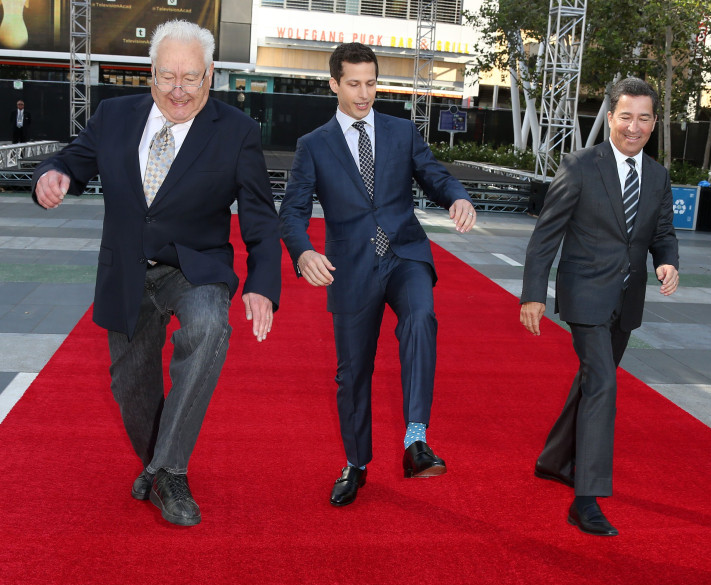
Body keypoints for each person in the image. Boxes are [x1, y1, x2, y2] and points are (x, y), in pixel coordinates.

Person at [32, 20, 281, 527]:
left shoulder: (237, 132)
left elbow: (259, 216)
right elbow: (72, 161)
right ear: (151, 74)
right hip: (127, 269)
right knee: (131, 385)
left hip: (197, 266)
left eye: (191, 77)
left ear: (210, 76)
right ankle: (157, 459)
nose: (179, 90)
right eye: (168, 76)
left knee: (210, 328)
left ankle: (169, 471)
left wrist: (261, 284)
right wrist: (52, 177)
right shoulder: (114, 116)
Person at [280, 42, 476, 507]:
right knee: (353, 374)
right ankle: (356, 463)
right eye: (354, 83)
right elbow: (291, 213)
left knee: (421, 318)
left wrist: (457, 198)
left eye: (371, 82)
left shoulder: (401, 132)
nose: (364, 92)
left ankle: (415, 439)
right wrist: (304, 251)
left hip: (405, 253)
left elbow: (434, 174)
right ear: (334, 84)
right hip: (350, 267)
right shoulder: (314, 145)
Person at [520, 77, 679, 537]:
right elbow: (546, 234)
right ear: (610, 117)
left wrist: (667, 262)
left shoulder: (659, 176)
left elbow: (662, 233)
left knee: (591, 381)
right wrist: (533, 293)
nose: (635, 126)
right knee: (604, 385)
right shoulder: (581, 166)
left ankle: (553, 459)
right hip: (585, 295)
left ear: (654, 122)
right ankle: (585, 499)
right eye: (626, 116)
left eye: (644, 118)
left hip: (628, 299)